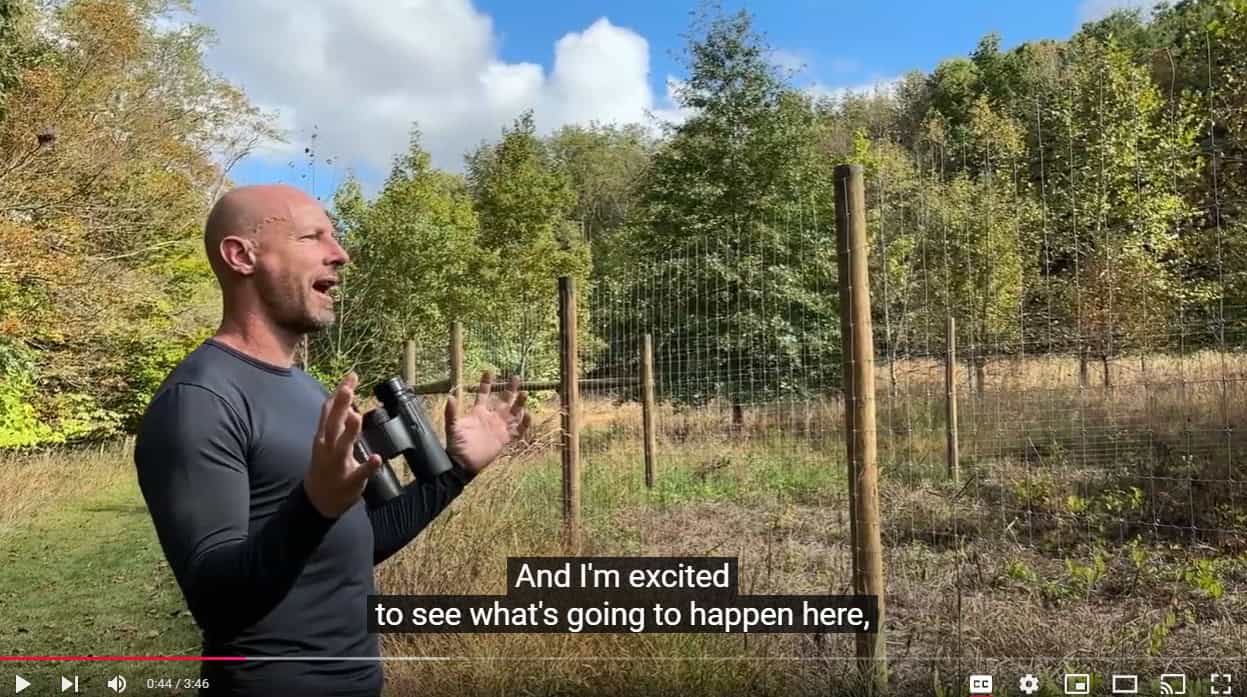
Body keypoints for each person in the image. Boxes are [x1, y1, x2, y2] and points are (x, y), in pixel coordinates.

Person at [133, 184, 530, 696]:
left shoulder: (309, 390)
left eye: (335, 237)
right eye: (312, 236)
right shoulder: (200, 400)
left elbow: (354, 543)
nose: (339, 254)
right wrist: (313, 505)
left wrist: (457, 471)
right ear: (241, 256)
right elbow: (217, 601)